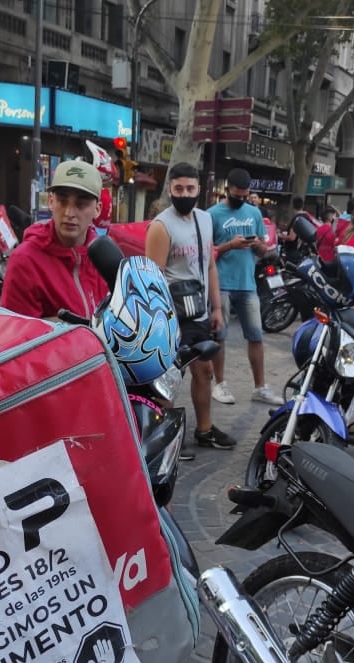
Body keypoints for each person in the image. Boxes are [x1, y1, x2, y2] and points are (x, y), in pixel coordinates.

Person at [145, 162, 234, 451]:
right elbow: (154, 278)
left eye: (190, 188)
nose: (184, 193)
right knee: (168, 379)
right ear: (170, 189)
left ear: (199, 189)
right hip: (172, 317)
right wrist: (162, 323)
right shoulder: (161, 226)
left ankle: (204, 430)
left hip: (199, 313)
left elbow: (209, 266)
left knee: (204, 371)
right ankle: (163, 438)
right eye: (179, 188)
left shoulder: (205, 220)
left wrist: (216, 309)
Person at [207, 167, 282, 406]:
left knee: (256, 336)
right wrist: (230, 245)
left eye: (245, 195)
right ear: (227, 189)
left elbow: (262, 248)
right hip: (221, 283)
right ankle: (219, 384)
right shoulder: (212, 215)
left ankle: (260, 387)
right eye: (236, 195)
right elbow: (207, 253)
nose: (240, 199)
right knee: (220, 336)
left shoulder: (254, 214)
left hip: (247, 283)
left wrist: (259, 245)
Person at [0, 159, 108, 319]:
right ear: (51, 201)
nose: (69, 213)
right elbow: (18, 334)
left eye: (81, 204)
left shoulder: (103, 257)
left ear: (97, 210)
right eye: (62, 201)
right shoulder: (25, 261)